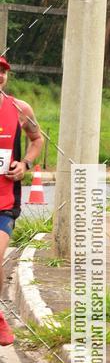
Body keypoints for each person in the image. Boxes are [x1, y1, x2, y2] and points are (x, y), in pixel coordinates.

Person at [0, 56, 43, 345]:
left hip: (4, 201)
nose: (0, 75)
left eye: (3, 71)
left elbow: (37, 139)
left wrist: (25, 164)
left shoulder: (20, 109)